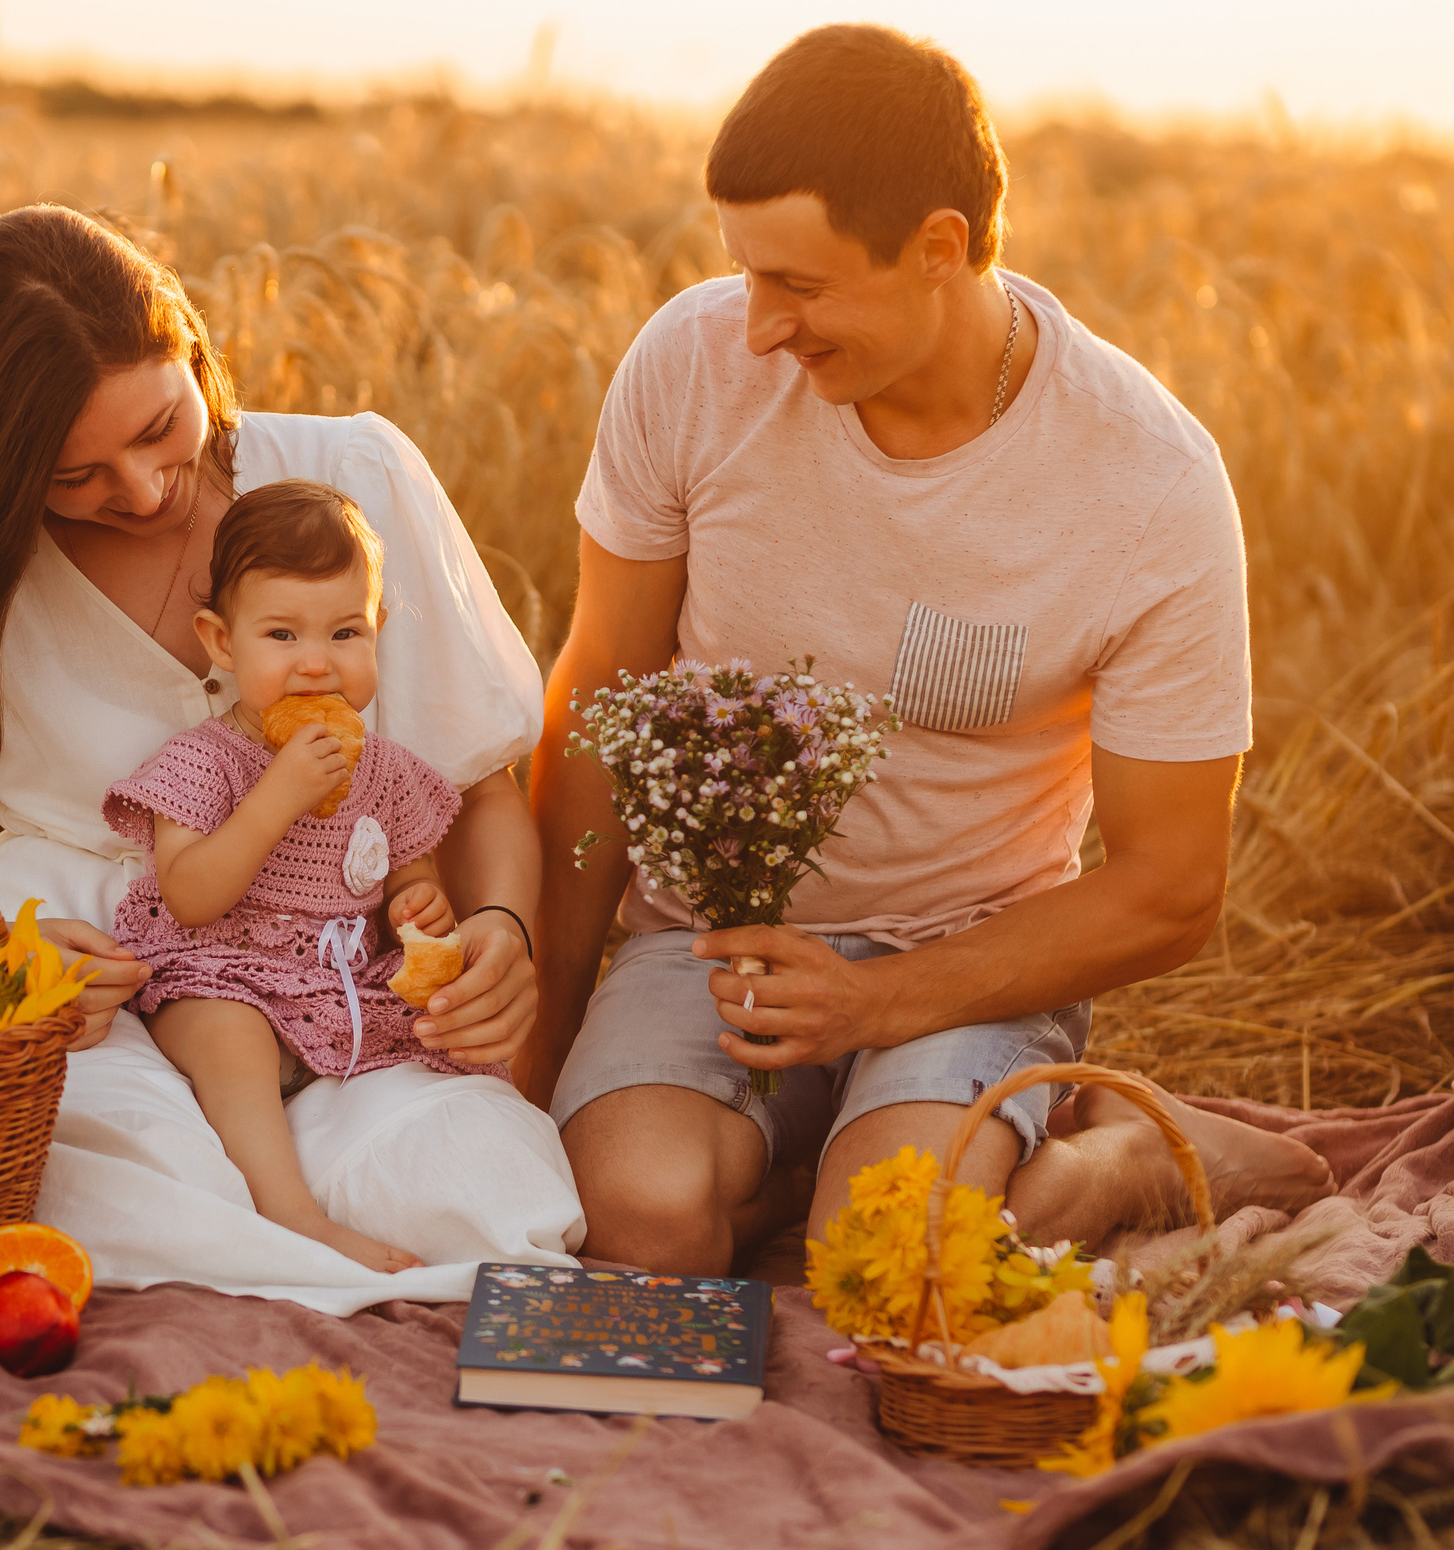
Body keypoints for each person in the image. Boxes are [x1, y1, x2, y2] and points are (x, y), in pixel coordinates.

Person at [526, 25, 1333, 1276]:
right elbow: (594, 699)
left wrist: (874, 1005)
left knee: (891, 1258)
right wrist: (549, 1024)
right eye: (742, 273)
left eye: (798, 285)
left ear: (940, 249)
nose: (754, 328)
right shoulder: (686, 369)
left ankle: (1124, 1150)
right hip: (707, 949)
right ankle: (864, 1150)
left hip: (966, 959)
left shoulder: (1146, 485)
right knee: (636, 1224)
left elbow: (1172, 885)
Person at [0, 204, 584, 1313]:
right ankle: (275, 1270)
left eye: (156, 429)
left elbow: (478, 788)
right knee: (111, 1184)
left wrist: (500, 934)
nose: (138, 493)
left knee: (488, 1190)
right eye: (69, 475)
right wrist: (2, 964)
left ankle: (294, 1261)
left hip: (347, 984)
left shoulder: (350, 477)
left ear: (190, 345)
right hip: (106, 1007)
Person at [107, 479, 500, 1276]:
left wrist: (421, 911)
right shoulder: (206, 760)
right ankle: (292, 1212)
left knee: (455, 1043)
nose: (317, 664)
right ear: (222, 642)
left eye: (346, 632)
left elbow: (409, 882)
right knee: (227, 1033)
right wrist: (277, 795)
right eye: (282, 634)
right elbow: (189, 893)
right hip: (218, 971)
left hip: (338, 986)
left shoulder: (385, 771)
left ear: (377, 630)